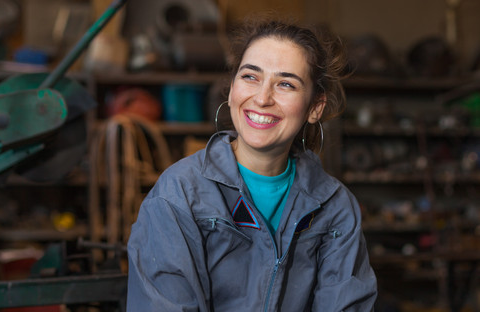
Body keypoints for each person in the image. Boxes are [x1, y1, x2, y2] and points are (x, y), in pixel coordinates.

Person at [126, 17, 377, 311]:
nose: (262, 98)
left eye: (285, 84)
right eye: (250, 77)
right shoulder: (178, 195)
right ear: (232, 89)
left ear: (314, 107)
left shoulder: (335, 208)